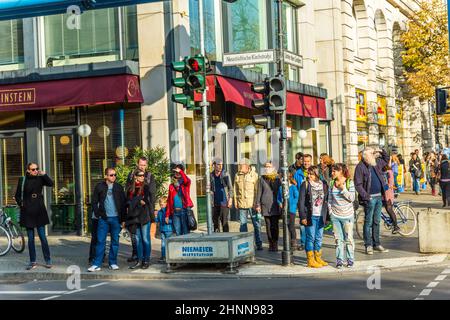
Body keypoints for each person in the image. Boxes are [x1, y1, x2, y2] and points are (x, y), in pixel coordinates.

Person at [15, 163, 54, 270]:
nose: (35, 171)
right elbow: (17, 195)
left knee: (43, 237)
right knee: (31, 239)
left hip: (39, 210)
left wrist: (44, 174)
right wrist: (21, 204)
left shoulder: (40, 178)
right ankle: (33, 261)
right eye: (33, 169)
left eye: (37, 169)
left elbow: (51, 183)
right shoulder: (22, 180)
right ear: (28, 170)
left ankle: (48, 260)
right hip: (27, 211)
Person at [88, 168, 127, 272]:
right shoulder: (99, 186)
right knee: (100, 241)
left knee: (115, 241)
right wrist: (98, 214)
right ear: (106, 176)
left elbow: (123, 204)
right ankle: (97, 264)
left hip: (116, 219)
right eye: (111, 175)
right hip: (103, 219)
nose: (113, 177)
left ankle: (113, 263)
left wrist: (123, 220)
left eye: (114, 175)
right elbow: (94, 202)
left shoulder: (118, 187)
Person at [354, 147, 390, 255]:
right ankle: (368, 245)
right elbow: (358, 185)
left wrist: (381, 150)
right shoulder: (360, 167)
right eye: (372, 153)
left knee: (377, 221)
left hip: (379, 196)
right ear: (366, 156)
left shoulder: (376, 163)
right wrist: (366, 196)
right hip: (369, 199)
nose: (374, 154)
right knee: (368, 222)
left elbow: (386, 159)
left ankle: (377, 244)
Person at [126, 157, 156, 263]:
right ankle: (137, 257)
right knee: (136, 238)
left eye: (144, 165)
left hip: (144, 214)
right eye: (141, 165)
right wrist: (137, 201)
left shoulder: (149, 178)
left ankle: (145, 260)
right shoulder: (131, 176)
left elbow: (150, 197)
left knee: (145, 238)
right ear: (137, 164)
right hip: (134, 215)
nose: (142, 167)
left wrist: (149, 209)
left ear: (146, 165)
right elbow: (128, 196)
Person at [298, 166, 329, 268]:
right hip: (310, 215)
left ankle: (318, 257)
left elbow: (326, 200)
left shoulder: (323, 184)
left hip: (321, 215)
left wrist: (327, 216)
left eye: (311, 174)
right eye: (308, 174)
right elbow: (301, 202)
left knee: (319, 238)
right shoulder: (305, 184)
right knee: (310, 237)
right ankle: (310, 260)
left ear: (317, 174)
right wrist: (302, 217)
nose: (309, 176)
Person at [328, 163, 356, 268]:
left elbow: (352, 198)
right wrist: (330, 212)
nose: (332, 173)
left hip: (347, 216)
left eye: (334, 171)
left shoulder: (349, 182)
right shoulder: (331, 183)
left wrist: (343, 189)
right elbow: (329, 199)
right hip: (335, 216)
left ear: (340, 171)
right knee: (338, 239)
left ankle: (350, 259)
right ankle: (339, 260)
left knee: (348, 239)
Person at [234, 159, 262, 250]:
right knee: (243, 224)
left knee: (256, 224)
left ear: (247, 166)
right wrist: (235, 201)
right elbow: (235, 190)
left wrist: (257, 203)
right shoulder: (237, 175)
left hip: (252, 204)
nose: (239, 167)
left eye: (240, 165)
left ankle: (259, 243)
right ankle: (244, 244)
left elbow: (258, 190)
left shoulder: (254, 175)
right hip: (242, 203)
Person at [255, 162, 282, 252]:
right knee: (268, 225)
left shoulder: (277, 178)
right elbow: (259, 192)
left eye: (269, 167)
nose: (267, 168)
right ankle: (270, 242)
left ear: (273, 168)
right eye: (266, 167)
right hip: (265, 205)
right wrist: (257, 204)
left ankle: (275, 243)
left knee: (275, 225)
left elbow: (280, 192)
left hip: (275, 205)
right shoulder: (262, 178)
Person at [166, 164, 193, 236]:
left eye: (179, 172)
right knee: (178, 233)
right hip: (175, 212)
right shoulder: (171, 185)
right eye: (175, 171)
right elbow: (169, 201)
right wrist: (167, 215)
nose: (177, 173)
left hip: (184, 210)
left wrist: (180, 171)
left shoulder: (185, 184)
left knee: (186, 232)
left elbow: (187, 180)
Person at [277, 172, 299, 254]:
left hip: (291, 210)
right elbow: (278, 198)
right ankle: (287, 242)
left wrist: (291, 204)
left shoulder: (293, 187)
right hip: (284, 210)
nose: (282, 180)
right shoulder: (280, 188)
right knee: (285, 225)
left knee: (291, 225)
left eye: (283, 178)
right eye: (281, 178)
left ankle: (294, 242)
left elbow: (297, 197)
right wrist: (280, 203)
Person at [210, 158, 233, 233]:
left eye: (221, 165)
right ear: (214, 165)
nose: (220, 166)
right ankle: (217, 240)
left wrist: (230, 199)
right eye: (218, 164)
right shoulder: (211, 175)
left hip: (224, 202)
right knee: (215, 223)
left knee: (224, 222)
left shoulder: (225, 174)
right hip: (214, 202)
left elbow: (230, 188)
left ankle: (226, 240)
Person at [382, 164, 400, 234]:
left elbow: (391, 183)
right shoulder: (382, 171)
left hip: (388, 193)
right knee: (387, 208)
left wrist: (385, 187)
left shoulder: (389, 172)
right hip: (383, 194)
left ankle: (396, 226)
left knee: (389, 209)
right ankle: (391, 221)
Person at [156, 197, 173, 262]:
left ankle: (169, 256)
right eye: (160, 205)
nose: (161, 206)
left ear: (166, 203)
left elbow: (172, 220)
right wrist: (154, 218)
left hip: (168, 230)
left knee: (168, 243)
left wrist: (169, 221)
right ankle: (163, 256)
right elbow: (158, 220)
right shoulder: (159, 212)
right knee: (163, 244)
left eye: (162, 204)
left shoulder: (168, 211)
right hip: (162, 229)